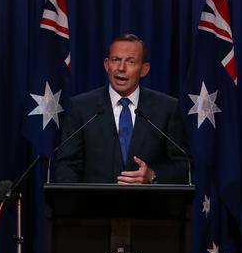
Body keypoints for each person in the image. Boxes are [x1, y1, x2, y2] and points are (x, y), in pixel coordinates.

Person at [53, 33, 189, 184]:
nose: (121, 68)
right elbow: (66, 166)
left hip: (148, 205)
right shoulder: (81, 108)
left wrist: (152, 175)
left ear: (144, 69)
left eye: (131, 62)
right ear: (106, 65)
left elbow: (182, 165)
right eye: (116, 60)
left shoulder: (167, 108)